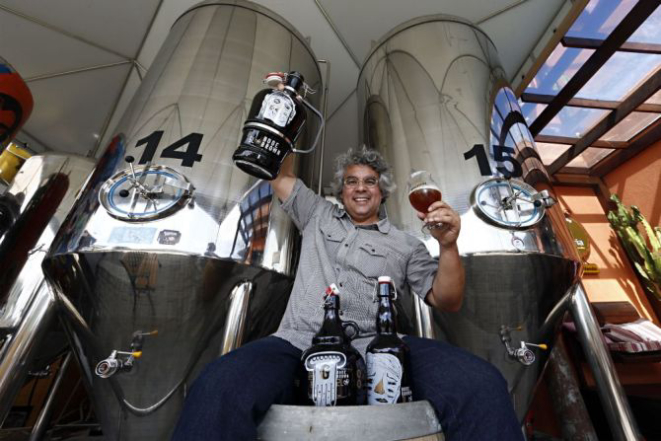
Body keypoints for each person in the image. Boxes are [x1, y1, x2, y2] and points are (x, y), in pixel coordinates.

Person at [172, 147, 522, 440]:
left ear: (382, 191)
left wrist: (448, 246)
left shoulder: (405, 244)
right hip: (297, 341)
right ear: (341, 191)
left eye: (370, 181)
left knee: (482, 384)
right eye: (351, 181)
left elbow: (447, 299)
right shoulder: (316, 215)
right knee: (216, 386)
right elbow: (279, 175)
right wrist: (290, 107)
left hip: (379, 346)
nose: (360, 188)